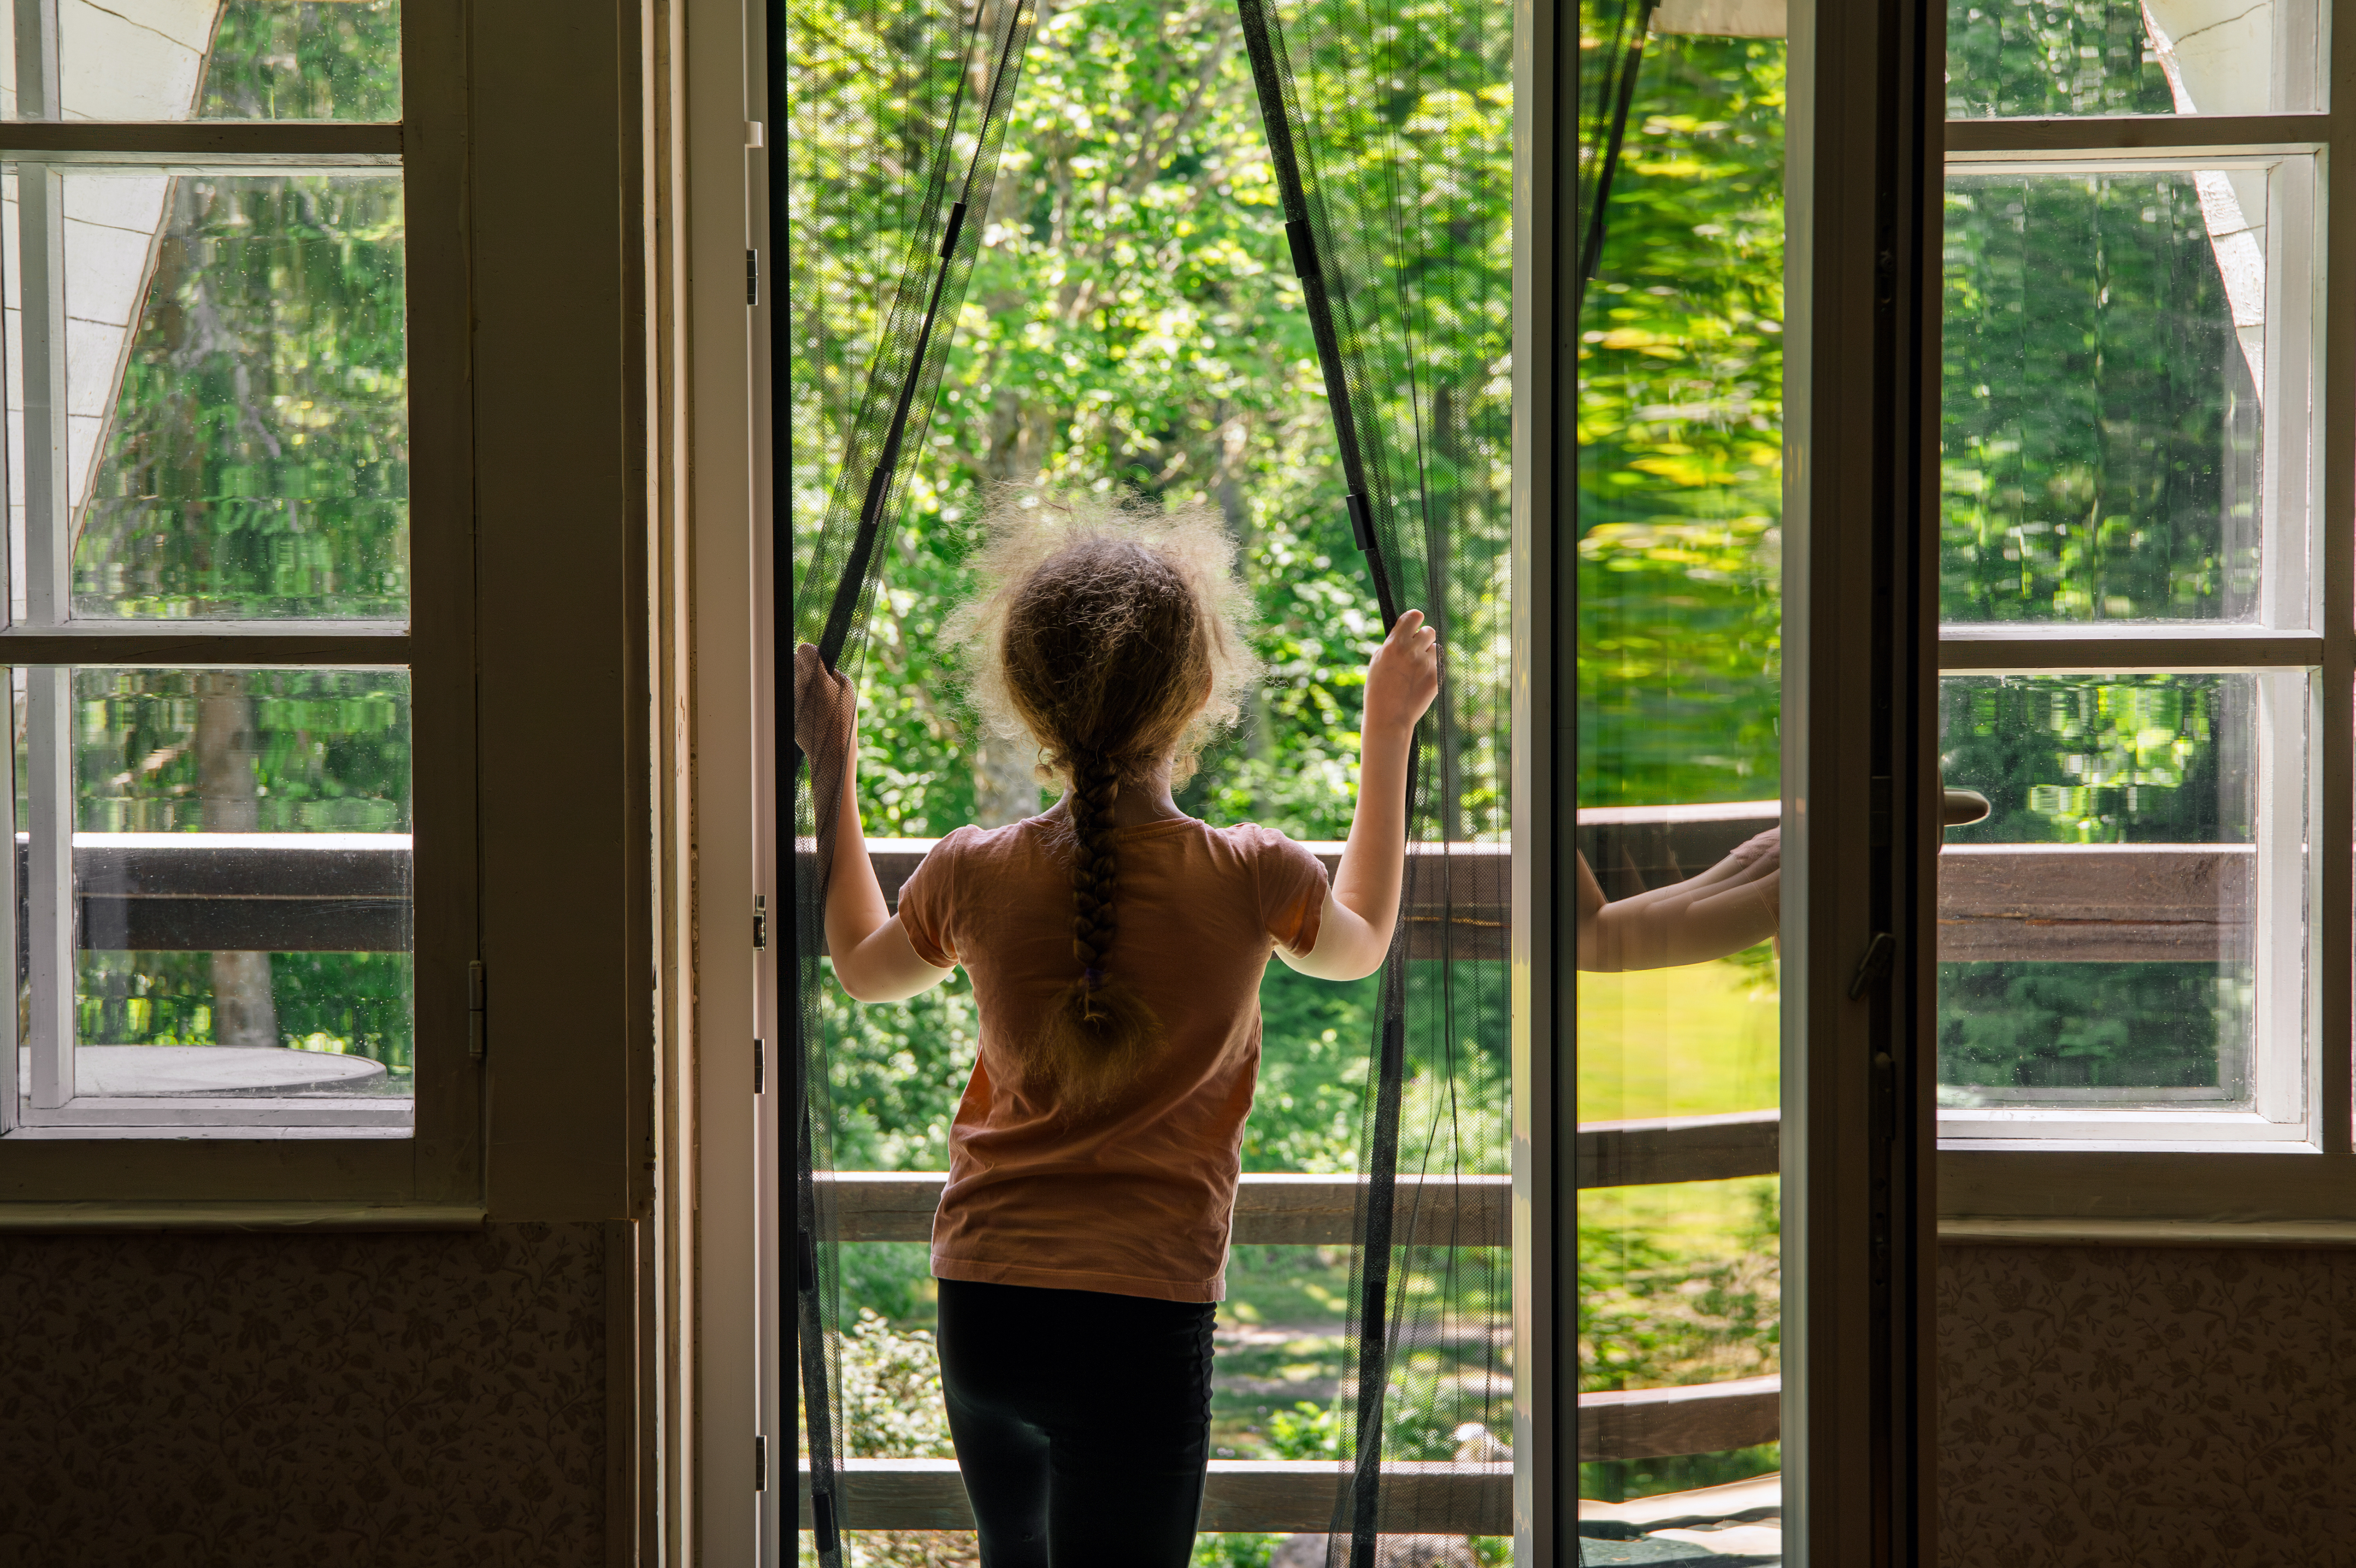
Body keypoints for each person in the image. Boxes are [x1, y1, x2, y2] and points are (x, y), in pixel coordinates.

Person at [795, 496, 1438, 1568]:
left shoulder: (973, 868)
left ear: (1024, 695)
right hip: (1141, 1313)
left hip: (985, 1298)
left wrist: (833, 760)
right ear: (1197, 693)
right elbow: (1362, 940)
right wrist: (1388, 729)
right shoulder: (1252, 873)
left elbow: (863, 966)